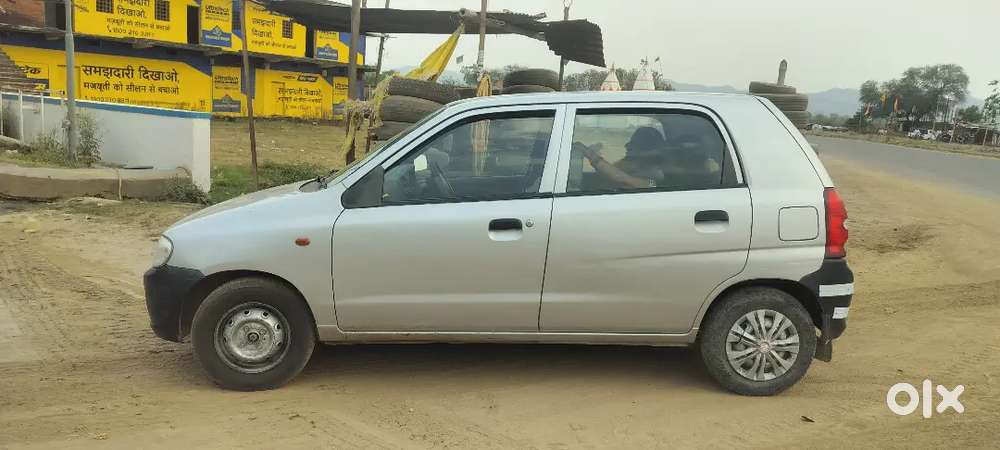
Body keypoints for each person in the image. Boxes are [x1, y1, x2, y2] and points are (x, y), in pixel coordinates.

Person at [574, 126, 668, 190]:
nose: (626, 146)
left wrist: (590, 154)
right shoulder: (632, 165)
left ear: (649, 151)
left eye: (634, 143)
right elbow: (609, 174)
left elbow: (620, 177)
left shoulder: (655, 178)